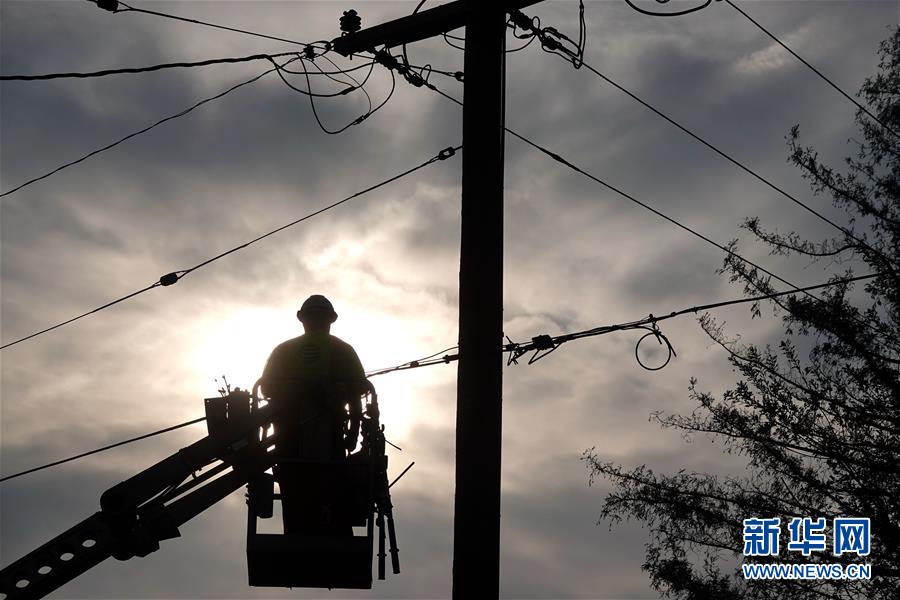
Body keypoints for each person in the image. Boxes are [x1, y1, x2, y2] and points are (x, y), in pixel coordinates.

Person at [259, 295, 367, 536]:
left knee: (294, 497)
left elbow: (266, 389)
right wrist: (353, 433)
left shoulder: (284, 350)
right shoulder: (343, 350)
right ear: (331, 320)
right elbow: (357, 393)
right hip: (330, 441)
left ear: (302, 319)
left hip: (289, 441)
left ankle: (297, 538)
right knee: (331, 495)